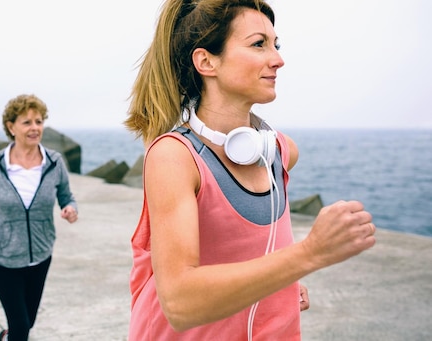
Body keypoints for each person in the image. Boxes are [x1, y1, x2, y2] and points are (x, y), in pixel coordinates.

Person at [124, 0, 376, 339]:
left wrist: (282, 280)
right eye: (259, 44)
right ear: (206, 61)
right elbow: (180, 303)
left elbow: (256, 248)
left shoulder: (280, 152)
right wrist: (309, 254)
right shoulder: (175, 158)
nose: (278, 59)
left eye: (276, 44)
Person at [0, 94, 78, 341]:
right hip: (2, 259)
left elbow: (67, 196)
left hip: (40, 256)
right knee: (21, 326)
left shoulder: (54, 162)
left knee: (28, 320)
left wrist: (70, 208)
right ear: (11, 127)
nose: (35, 128)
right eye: (27, 122)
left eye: (39, 121)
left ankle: (7, 335)